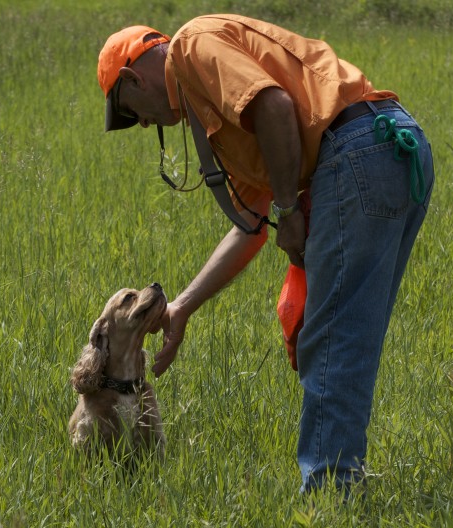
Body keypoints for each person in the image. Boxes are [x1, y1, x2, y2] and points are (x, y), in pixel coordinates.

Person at [97, 15, 434, 496]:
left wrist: (290, 208)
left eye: (133, 113)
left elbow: (274, 106)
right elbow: (250, 228)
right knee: (350, 336)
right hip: (391, 149)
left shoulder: (192, 47)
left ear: (131, 79)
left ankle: (330, 497)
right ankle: (343, 481)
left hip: (356, 151)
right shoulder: (206, 101)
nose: (146, 122)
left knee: (333, 339)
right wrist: (182, 308)